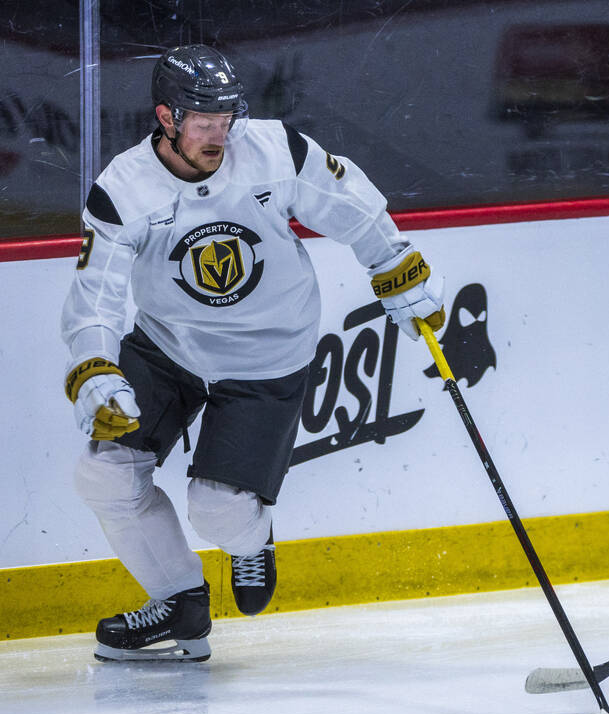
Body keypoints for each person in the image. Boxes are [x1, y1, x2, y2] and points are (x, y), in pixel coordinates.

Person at [61, 44, 445, 662]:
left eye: (226, 119)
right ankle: (179, 603)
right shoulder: (123, 190)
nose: (220, 134)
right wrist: (95, 366)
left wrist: (396, 264)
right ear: (166, 117)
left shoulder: (273, 150)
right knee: (103, 474)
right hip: (169, 347)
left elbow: (349, 203)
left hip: (268, 353)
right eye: (204, 122)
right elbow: (95, 293)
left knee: (218, 513)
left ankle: (250, 537)